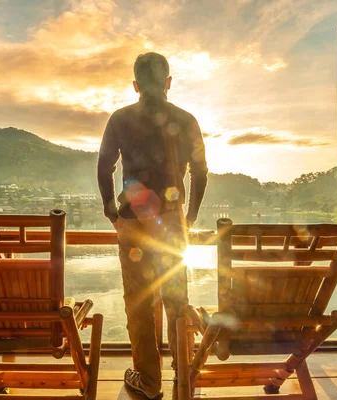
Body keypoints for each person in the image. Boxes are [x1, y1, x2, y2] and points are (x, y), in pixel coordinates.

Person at [97, 52, 208, 399]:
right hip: (173, 222)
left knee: (139, 301)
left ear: (135, 85)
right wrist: (189, 216)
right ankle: (182, 374)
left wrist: (111, 212)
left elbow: (104, 167)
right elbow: (201, 171)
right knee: (177, 297)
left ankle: (148, 381)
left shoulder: (120, 118)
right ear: (168, 83)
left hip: (132, 221)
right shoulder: (186, 119)